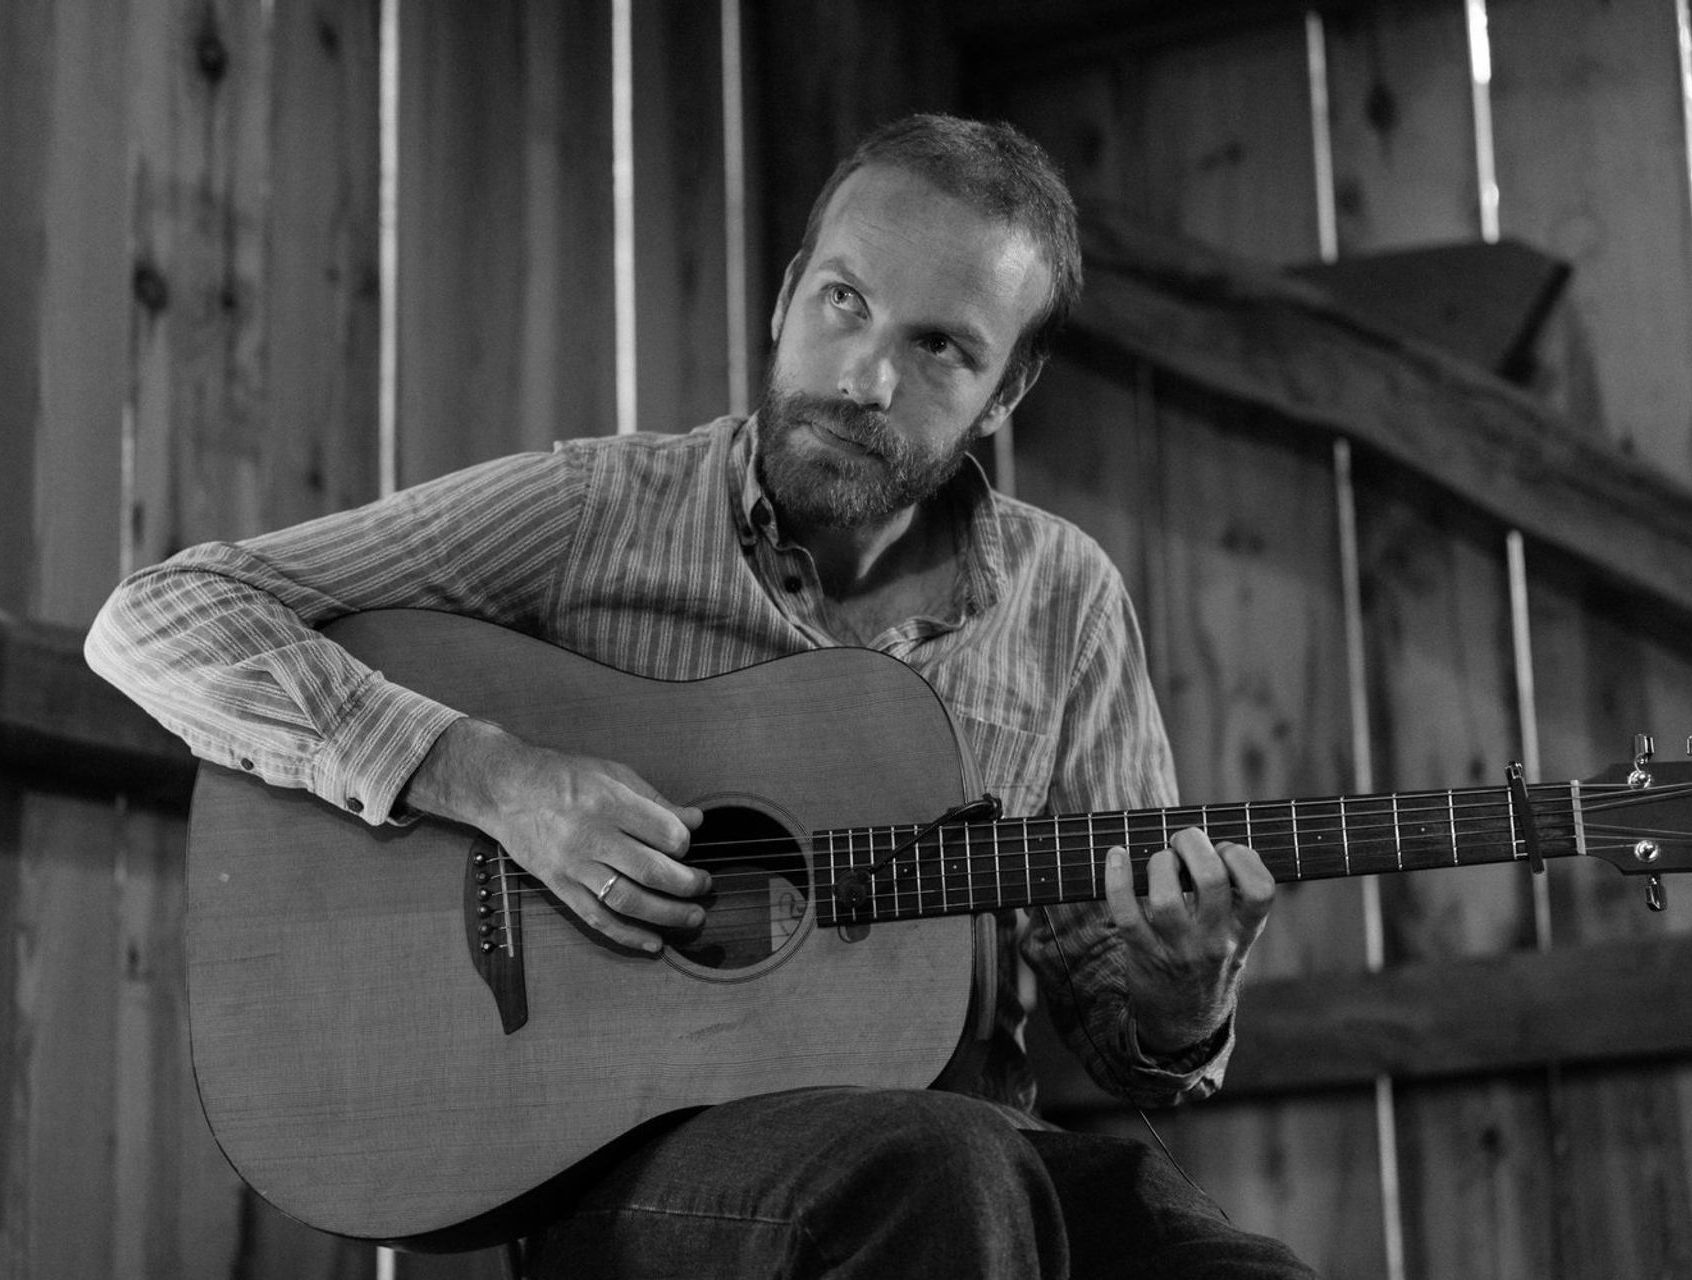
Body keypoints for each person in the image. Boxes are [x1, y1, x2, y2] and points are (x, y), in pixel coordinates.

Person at [88, 113, 1315, 1278]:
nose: (865, 378)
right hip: (628, 1166)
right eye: (846, 301)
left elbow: (1120, 1033)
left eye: (940, 346)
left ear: (1003, 395)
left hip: (965, 1156)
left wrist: (1179, 992)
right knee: (943, 1168)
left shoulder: (1065, 599)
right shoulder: (596, 512)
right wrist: (494, 777)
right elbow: (159, 616)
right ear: (787, 294)